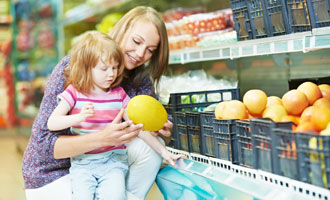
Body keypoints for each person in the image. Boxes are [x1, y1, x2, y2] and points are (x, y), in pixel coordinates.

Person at [22, 6, 178, 200]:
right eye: (136, 41)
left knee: (149, 148)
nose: (140, 54)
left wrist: (164, 130)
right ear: (121, 30)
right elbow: (44, 145)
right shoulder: (74, 67)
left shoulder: (138, 78)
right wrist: (103, 138)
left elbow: (149, 124)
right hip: (55, 172)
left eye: (150, 51)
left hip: (107, 164)